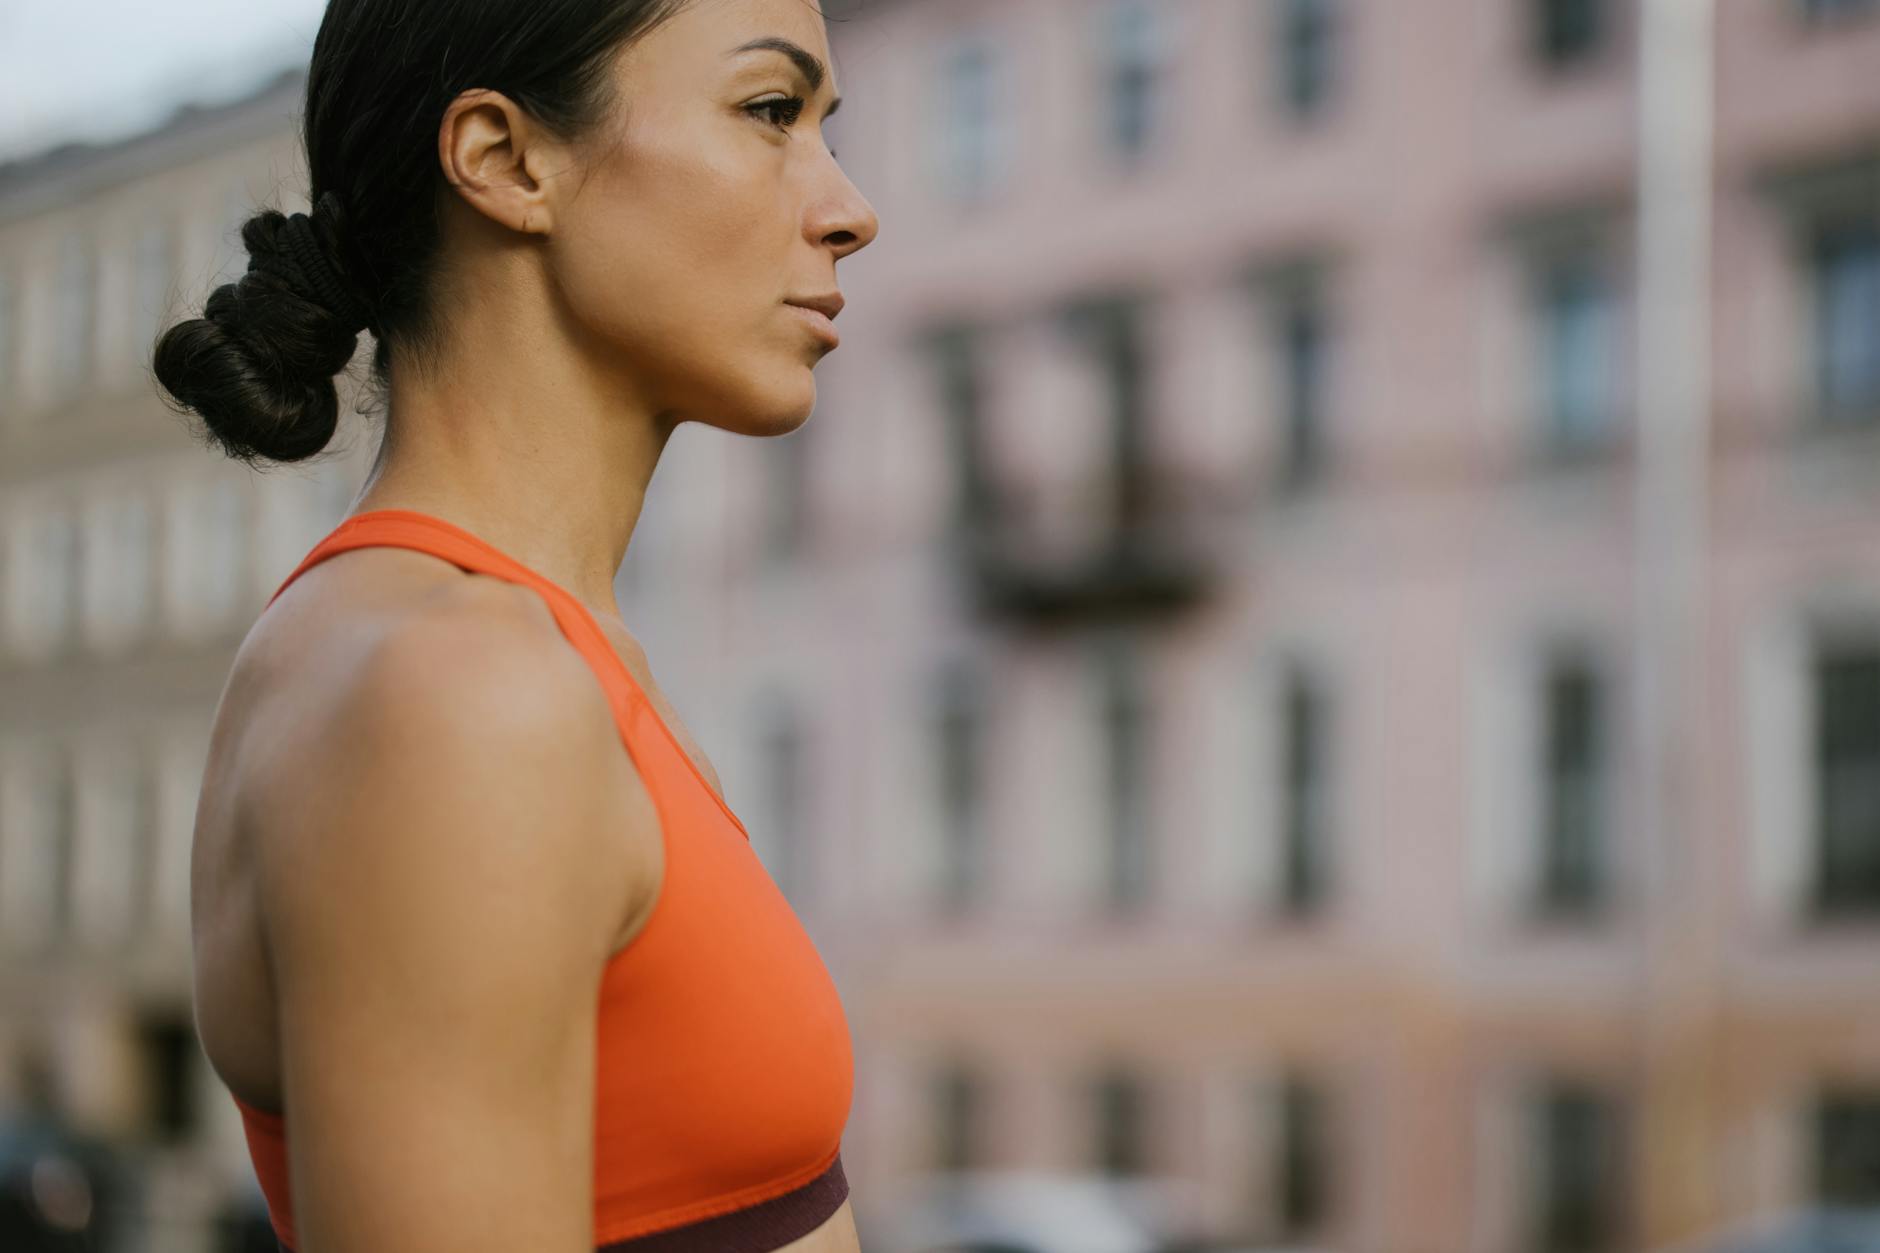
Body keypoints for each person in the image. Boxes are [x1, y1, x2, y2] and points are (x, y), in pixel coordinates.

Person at [153, 0, 878, 1249]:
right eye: (769, 111)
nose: (849, 207)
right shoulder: (456, 690)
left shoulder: (522, 658)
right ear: (503, 159)